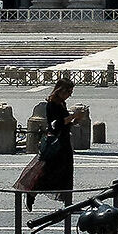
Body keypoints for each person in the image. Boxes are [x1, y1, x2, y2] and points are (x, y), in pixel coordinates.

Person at [23, 75, 76, 206]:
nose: (69, 94)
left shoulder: (62, 103)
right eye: (68, 91)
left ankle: (68, 203)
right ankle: (32, 191)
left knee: (66, 172)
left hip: (64, 141)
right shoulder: (52, 104)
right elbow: (55, 124)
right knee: (50, 170)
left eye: (71, 92)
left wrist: (76, 120)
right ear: (60, 90)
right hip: (56, 143)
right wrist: (72, 117)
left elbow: (64, 124)